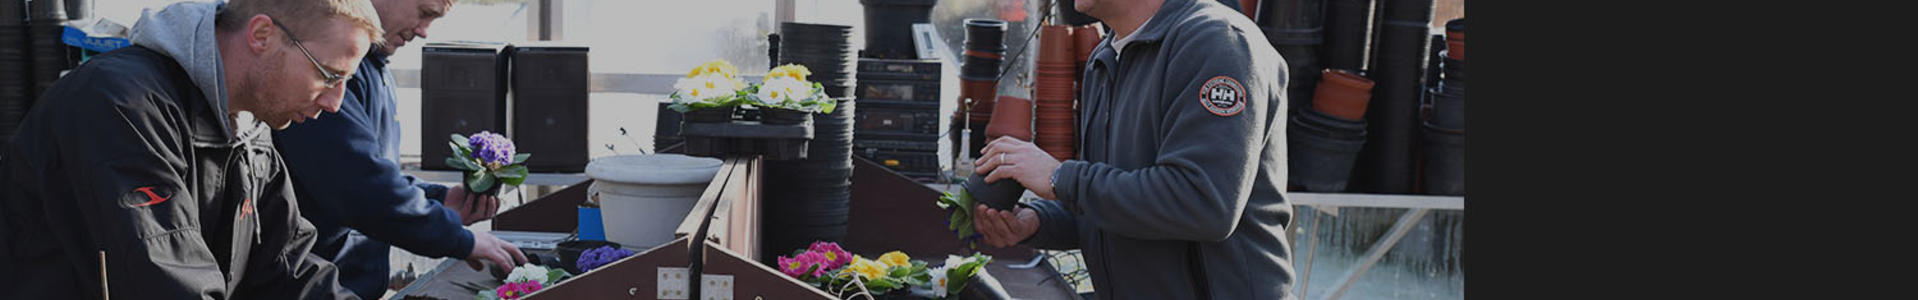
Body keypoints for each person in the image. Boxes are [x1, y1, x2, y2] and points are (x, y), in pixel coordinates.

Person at [0, 0, 386, 298]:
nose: (336, 102)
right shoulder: (121, 106)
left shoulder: (248, 128)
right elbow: (167, 279)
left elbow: (286, 266)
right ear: (262, 35)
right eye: (330, 75)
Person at [968, 0, 1296, 299]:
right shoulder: (1105, 57)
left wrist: (1058, 177)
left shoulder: (1217, 42)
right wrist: (1037, 222)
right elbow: (1119, 198)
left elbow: (1202, 203)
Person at [269, 0, 527, 298]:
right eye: (424, 13)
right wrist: (457, 238)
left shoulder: (374, 69)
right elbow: (358, 185)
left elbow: (377, 172)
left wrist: (437, 199)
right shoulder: (327, 72)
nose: (424, 31)